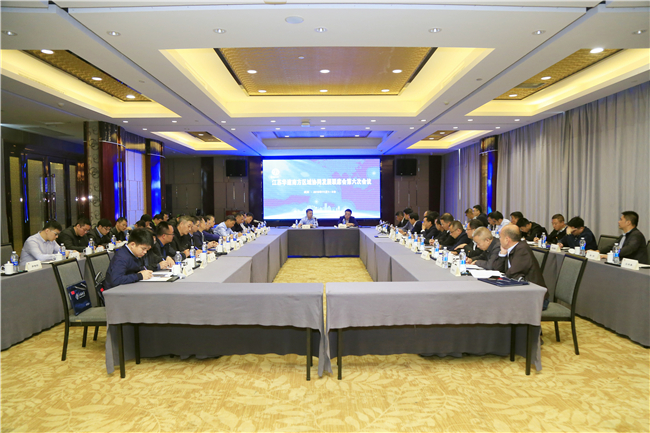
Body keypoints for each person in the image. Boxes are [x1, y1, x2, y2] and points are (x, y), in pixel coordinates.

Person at [493, 225, 548, 306]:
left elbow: (512, 273)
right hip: (521, 292)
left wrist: (502, 276)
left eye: (500, 237)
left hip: (536, 298)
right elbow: (497, 269)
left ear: (507, 239)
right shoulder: (513, 248)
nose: (499, 239)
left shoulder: (522, 249)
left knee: (497, 303)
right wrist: (502, 254)